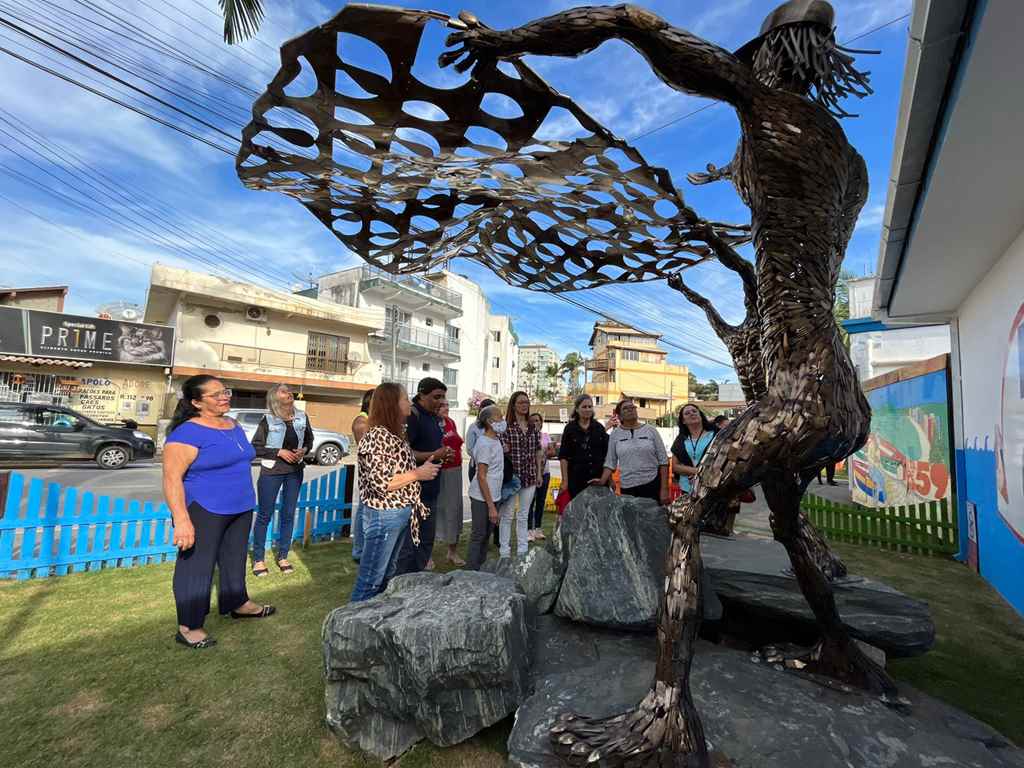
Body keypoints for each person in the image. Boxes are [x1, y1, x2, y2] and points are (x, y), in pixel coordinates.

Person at [163, 375, 275, 649]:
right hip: (205, 508)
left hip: (240, 506)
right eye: (215, 395)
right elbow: (171, 479)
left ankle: (238, 603)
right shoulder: (186, 433)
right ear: (196, 402)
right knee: (197, 567)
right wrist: (181, 520)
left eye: (225, 391)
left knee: (234, 559)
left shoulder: (232, 424)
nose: (224, 396)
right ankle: (189, 626)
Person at [351, 383, 439, 601]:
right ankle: (350, 626)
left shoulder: (395, 434)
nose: (409, 403)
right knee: (371, 579)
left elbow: (399, 469)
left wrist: (420, 467)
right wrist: (418, 474)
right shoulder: (376, 436)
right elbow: (381, 482)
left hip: (397, 513)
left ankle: (372, 620)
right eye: (405, 399)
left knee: (386, 573)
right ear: (392, 404)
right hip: (384, 515)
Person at [249, 384, 313, 576]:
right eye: (284, 391)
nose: (289, 393)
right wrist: (279, 452)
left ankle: (283, 555)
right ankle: (259, 559)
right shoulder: (268, 419)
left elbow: (309, 440)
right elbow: (256, 448)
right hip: (272, 471)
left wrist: (304, 450)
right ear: (275, 397)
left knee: (288, 513)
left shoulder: (302, 416)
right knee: (264, 515)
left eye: (289, 390)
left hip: (295, 471)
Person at [395, 377, 451, 573]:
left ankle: (418, 578)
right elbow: (405, 452)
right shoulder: (413, 416)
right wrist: (435, 454)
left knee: (427, 539)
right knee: (410, 543)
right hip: (415, 490)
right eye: (437, 397)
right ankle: (405, 581)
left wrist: (441, 453)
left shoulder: (434, 417)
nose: (441, 401)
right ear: (421, 394)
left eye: (443, 397)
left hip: (431, 488)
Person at [592, 398, 669, 504]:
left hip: (652, 484)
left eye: (632, 407)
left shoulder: (651, 430)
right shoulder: (615, 434)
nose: (630, 410)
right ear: (620, 415)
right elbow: (610, 462)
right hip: (627, 488)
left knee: (652, 519)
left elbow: (664, 461)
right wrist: (602, 481)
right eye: (625, 408)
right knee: (631, 519)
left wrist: (664, 489)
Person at [498, 391, 543, 557]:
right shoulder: (506, 427)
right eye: (521, 402)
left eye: (526, 402)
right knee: (507, 515)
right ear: (513, 405)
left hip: (530, 475)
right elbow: (500, 450)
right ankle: (504, 552)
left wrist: (539, 473)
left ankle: (522, 550)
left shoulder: (533, 427)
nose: (524, 405)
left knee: (524, 515)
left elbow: (538, 451)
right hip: (511, 477)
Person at [466, 404, 506, 570]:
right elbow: (481, 476)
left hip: (493, 495)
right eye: (499, 418)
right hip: (482, 497)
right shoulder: (484, 444)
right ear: (490, 422)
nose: (503, 421)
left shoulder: (495, 440)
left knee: (486, 536)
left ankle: (479, 569)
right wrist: (491, 507)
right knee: (479, 535)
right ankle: (471, 572)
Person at [558, 394, 610, 499]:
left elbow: (608, 456)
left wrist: (609, 479)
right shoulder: (570, 429)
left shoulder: (599, 428)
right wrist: (565, 481)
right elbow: (564, 457)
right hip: (576, 480)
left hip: (598, 480)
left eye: (590, 407)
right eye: (584, 407)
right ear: (577, 409)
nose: (587, 409)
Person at [436, 401, 466, 566]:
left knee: (454, 509)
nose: (446, 408)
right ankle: (426, 555)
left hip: (455, 470)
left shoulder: (451, 422)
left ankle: (452, 551)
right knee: (435, 510)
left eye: (447, 405)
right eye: (442, 405)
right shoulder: (432, 424)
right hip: (438, 471)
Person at [671, 403, 718, 496]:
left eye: (694, 411)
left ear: (700, 415)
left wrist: (701, 474)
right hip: (687, 488)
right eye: (687, 413)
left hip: (712, 486)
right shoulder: (681, 440)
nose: (692, 414)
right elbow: (675, 466)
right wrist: (698, 472)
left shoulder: (716, 434)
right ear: (683, 421)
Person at [349, 388, 374, 563]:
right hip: (369, 472)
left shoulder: (372, 420)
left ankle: (362, 548)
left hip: (373, 471)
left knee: (366, 510)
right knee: (365, 510)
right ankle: (359, 550)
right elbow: (368, 449)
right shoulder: (362, 421)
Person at [528, 412, 554, 541]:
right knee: (530, 501)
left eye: (537, 420)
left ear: (541, 422)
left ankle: (538, 528)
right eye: (532, 421)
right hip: (532, 473)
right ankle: (529, 530)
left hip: (545, 472)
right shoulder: (527, 436)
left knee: (541, 501)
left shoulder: (545, 436)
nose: (535, 423)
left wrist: (545, 454)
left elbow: (552, 451)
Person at [466, 397, 495, 483]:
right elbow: (470, 449)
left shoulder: (496, 427)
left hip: (493, 468)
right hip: (477, 467)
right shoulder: (473, 427)